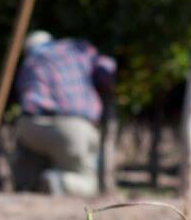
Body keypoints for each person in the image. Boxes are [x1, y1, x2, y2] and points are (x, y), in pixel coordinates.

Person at [10, 31, 116, 196]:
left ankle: (27, 183)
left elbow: (23, 95)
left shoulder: (30, 61)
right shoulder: (77, 49)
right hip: (75, 126)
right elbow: (106, 67)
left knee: (28, 145)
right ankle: (60, 181)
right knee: (88, 182)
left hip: (31, 125)